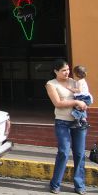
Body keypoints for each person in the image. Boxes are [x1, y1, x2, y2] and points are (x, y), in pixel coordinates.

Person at [46, 59, 88, 195]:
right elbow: (57, 103)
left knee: (80, 154)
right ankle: (55, 184)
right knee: (64, 152)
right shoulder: (51, 84)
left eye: (68, 69)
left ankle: (79, 185)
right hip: (62, 122)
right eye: (63, 70)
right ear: (55, 71)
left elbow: (84, 96)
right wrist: (76, 101)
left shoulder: (74, 82)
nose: (67, 72)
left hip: (79, 122)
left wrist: (84, 103)